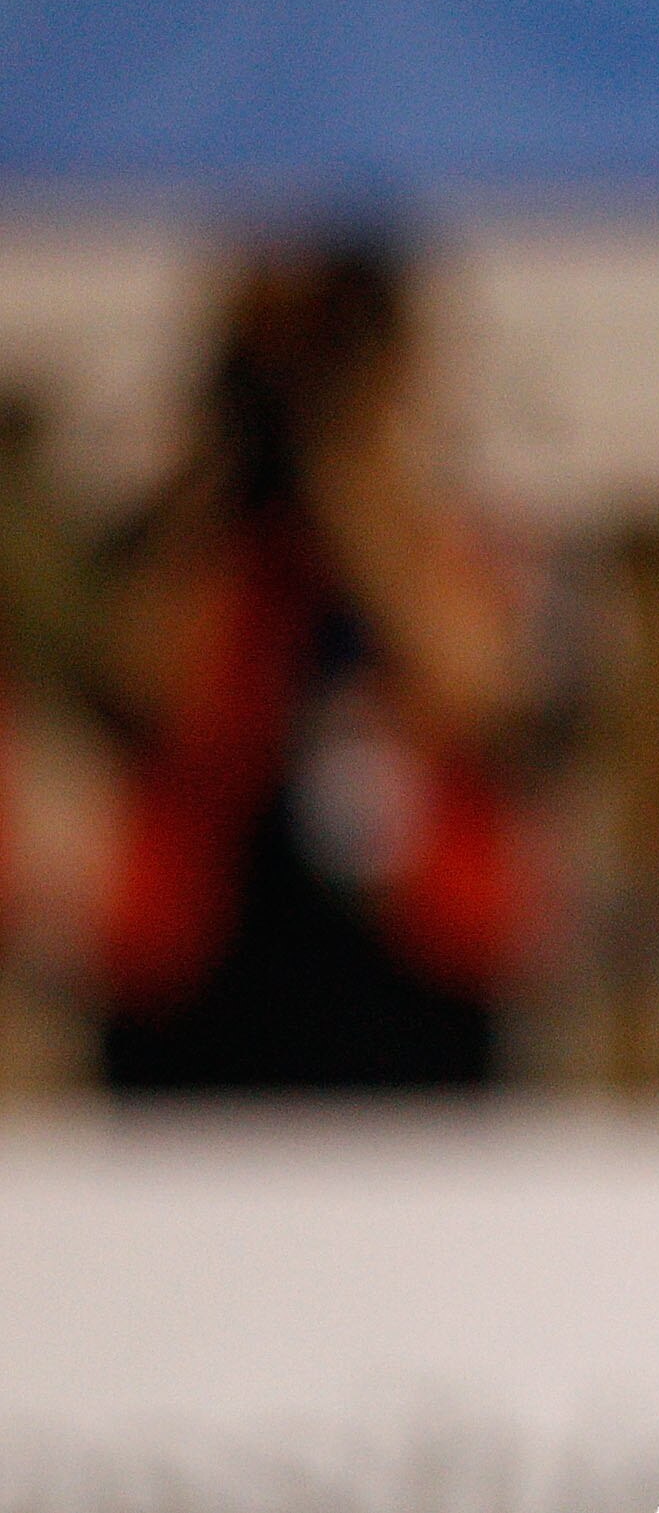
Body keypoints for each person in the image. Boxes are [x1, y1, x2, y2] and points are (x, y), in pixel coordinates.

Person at [94, 244, 547, 1089]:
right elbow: (154, 691)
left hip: (409, 965)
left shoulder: (446, 536)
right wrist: (234, 454)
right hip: (211, 964)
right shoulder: (198, 537)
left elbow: (475, 691)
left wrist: (348, 474)